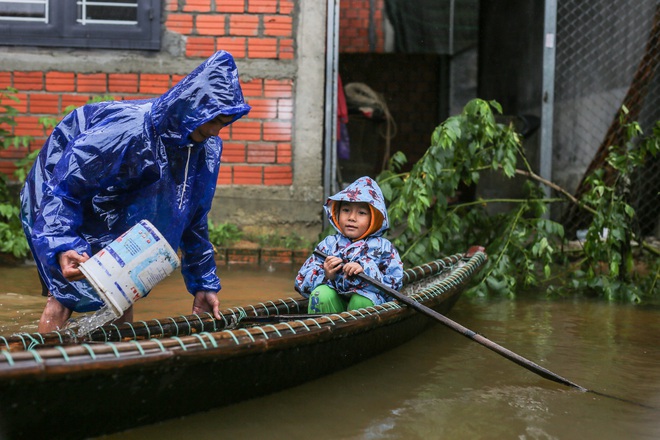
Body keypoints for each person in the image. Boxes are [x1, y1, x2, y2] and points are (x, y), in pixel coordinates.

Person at [20, 51, 251, 332]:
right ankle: (44, 358)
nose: (216, 131)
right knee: (66, 290)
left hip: (119, 205)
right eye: (212, 120)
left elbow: (193, 218)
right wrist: (63, 243)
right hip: (64, 195)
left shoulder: (205, 149)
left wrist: (203, 283)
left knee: (122, 284)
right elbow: (65, 189)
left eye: (224, 123)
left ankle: (113, 358)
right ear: (192, 108)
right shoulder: (128, 130)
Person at [295, 176, 403, 313]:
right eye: (346, 210)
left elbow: (394, 286)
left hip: (366, 304)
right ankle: (323, 331)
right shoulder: (328, 244)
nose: (352, 218)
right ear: (337, 212)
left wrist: (365, 269)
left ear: (374, 219)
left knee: (361, 300)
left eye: (361, 213)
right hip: (334, 303)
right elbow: (301, 282)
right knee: (321, 294)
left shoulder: (384, 248)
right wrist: (326, 274)